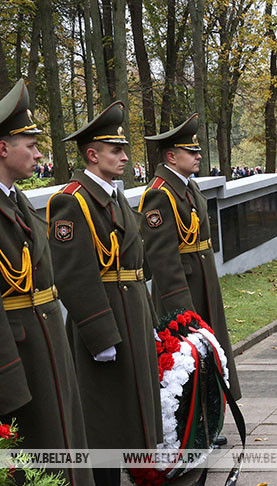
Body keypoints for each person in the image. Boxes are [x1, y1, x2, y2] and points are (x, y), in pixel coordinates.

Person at [48, 101, 162, 486]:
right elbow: (74, 274)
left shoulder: (113, 195)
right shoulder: (73, 201)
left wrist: (147, 317)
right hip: (104, 323)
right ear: (93, 155)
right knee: (103, 420)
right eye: (116, 151)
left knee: (127, 415)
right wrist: (100, 336)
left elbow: (135, 265)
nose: (125, 157)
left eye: (124, 149)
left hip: (130, 316)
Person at [0, 79, 93, 486]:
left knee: (66, 447)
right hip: (22, 359)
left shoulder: (17, 201)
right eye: (29, 144)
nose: (39, 153)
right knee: (39, 459)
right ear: (2, 148)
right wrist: (7, 377)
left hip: (48, 347)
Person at [138, 113, 243, 428]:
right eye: (191, 152)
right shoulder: (160, 193)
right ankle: (193, 425)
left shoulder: (188, 187)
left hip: (203, 283)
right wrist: (180, 310)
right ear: (171, 156)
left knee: (209, 355)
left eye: (197, 151)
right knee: (188, 360)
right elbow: (162, 258)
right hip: (183, 290)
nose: (198, 156)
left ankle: (210, 418)